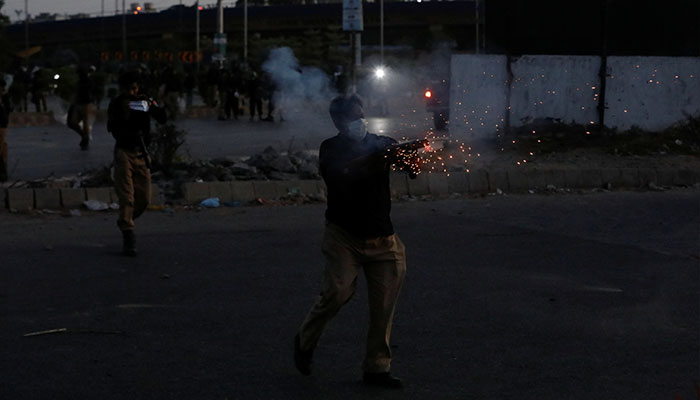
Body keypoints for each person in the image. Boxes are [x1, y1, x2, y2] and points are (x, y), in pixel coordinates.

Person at [294, 94, 423, 388]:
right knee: (336, 294)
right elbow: (343, 174)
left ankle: (377, 368)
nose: (359, 122)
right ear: (338, 122)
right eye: (353, 117)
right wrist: (378, 159)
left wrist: (408, 157)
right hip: (344, 237)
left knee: (384, 305)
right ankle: (304, 341)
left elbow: (412, 170)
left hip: (383, 238)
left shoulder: (383, 143)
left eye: (361, 115)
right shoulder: (331, 149)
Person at [107, 71, 166, 256]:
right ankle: (128, 234)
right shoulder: (117, 104)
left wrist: (149, 106)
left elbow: (162, 117)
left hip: (141, 153)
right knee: (128, 197)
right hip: (124, 152)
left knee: (144, 199)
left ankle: (126, 221)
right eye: (129, 89)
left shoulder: (143, 101)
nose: (132, 92)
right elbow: (113, 127)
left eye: (135, 88)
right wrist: (129, 110)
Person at [67, 66, 97, 150]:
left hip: (86, 103)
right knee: (73, 122)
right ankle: (84, 137)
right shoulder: (81, 82)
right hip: (80, 103)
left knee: (84, 123)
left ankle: (85, 140)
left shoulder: (88, 82)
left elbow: (90, 93)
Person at [0, 77, 12, 182]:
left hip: (1, 121)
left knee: (2, 145)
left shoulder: (4, 96)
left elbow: (8, 108)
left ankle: (3, 172)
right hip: (2, 120)